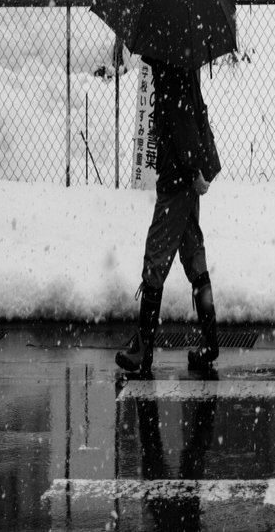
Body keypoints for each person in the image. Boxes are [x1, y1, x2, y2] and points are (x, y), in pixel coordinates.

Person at [116, 57, 222, 376]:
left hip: (178, 179)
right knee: (192, 253)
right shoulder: (179, 61)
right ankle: (210, 340)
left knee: (156, 255)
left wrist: (191, 172)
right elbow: (191, 114)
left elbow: (183, 121)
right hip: (184, 174)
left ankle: (142, 349)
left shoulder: (170, 65)